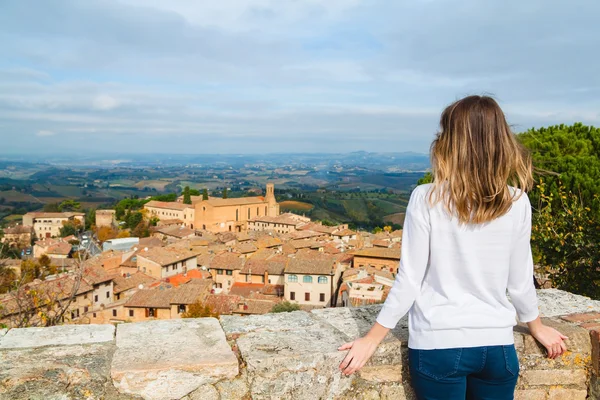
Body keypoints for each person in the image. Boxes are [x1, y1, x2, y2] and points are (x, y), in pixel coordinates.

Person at [338, 95, 567, 400]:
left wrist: (372, 338)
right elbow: (521, 279)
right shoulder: (517, 201)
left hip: (438, 346)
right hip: (497, 348)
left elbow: (409, 279)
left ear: (450, 143)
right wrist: (536, 326)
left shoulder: (426, 198)